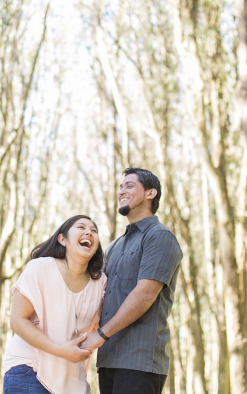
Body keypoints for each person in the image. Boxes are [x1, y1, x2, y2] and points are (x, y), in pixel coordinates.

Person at [80, 167, 183, 394]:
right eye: (120, 187)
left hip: (140, 361)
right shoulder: (114, 246)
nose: (121, 191)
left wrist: (101, 334)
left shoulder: (159, 237)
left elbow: (145, 294)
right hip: (108, 360)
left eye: (129, 185)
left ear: (150, 193)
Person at [2, 215, 107, 394]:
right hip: (29, 370)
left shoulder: (100, 282)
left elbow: (99, 330)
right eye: (81, 227)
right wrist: (59, 350)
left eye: (94, 230)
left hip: (72, 382)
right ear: (62, 239)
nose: (88, 232)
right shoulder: (40, 268)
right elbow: (18, 321)